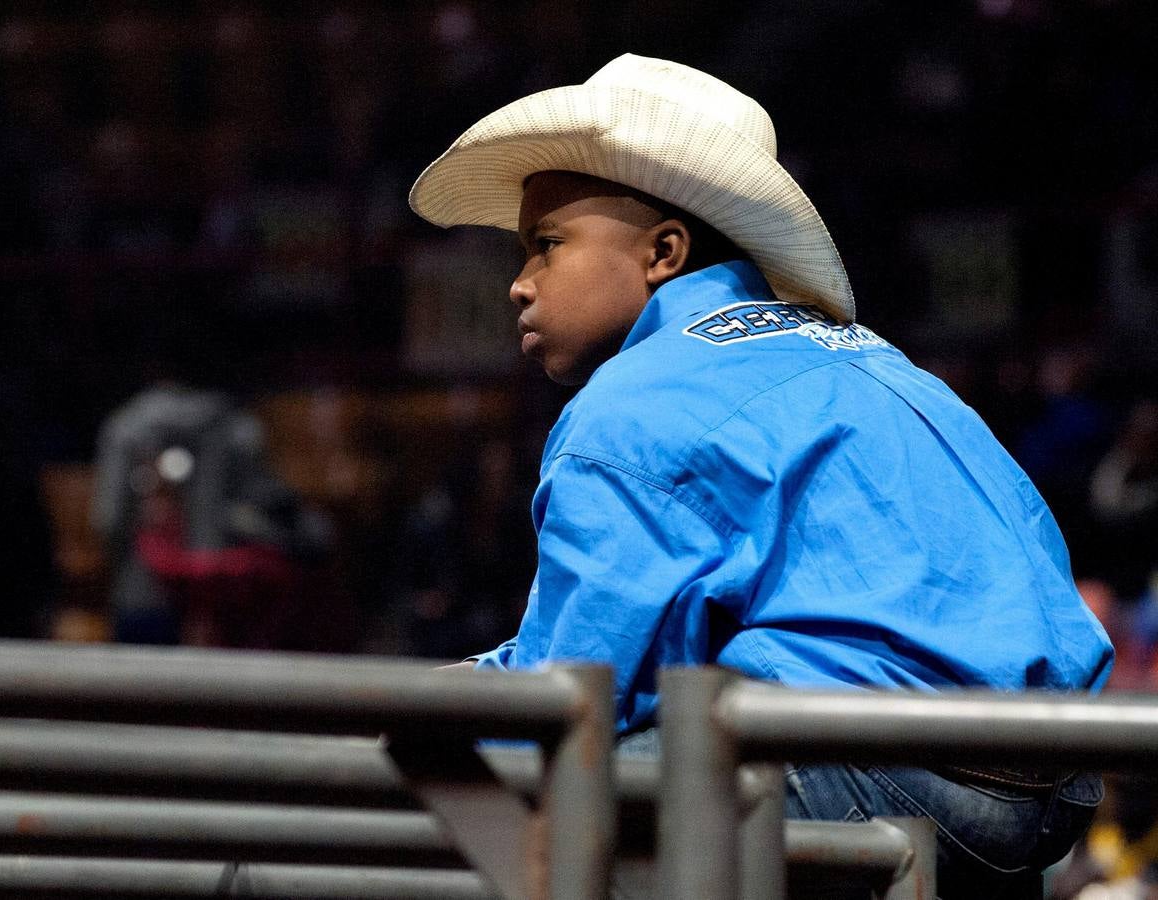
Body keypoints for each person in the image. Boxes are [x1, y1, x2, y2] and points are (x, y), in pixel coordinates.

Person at [409, 54, 1114, 898]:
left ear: (664, 252)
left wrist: (439, 724)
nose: (519, 285)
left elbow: (576, 694)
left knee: (481, 802)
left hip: (865, 764)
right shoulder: (880, 363)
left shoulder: (634, 401)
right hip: (1044, 790)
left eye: (545, 246)